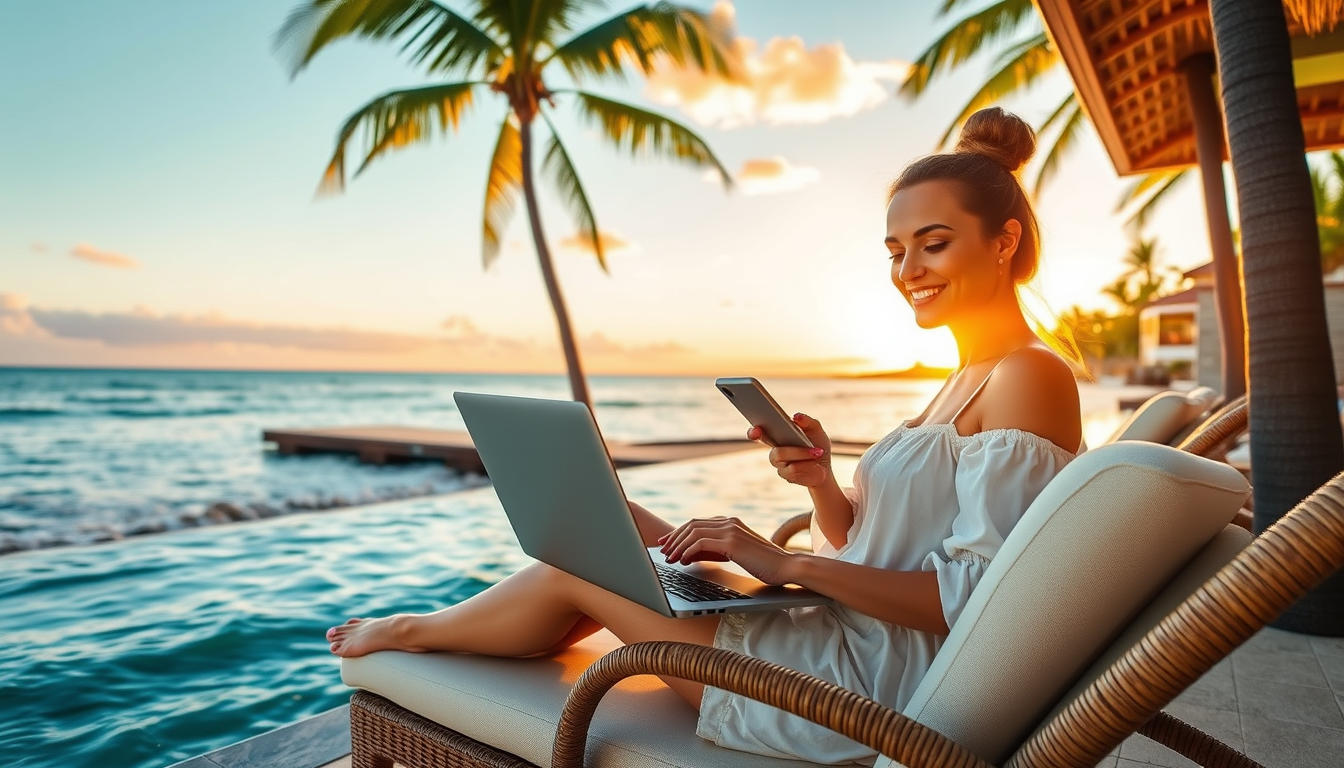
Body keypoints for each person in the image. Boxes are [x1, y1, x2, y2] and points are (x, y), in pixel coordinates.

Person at [326, 106, 1083, 765]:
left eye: (933, 243)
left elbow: (976, 602)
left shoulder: (1029, 376)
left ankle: (414, 634)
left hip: (854, 689)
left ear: (1004, 241)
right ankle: (456, 629)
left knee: (575, 567)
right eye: (894, 251)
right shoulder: (970, 375)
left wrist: (784, 563)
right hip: (835, 631)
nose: (907, 269)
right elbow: (874, 545)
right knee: (609, 523)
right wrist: (821, 483)